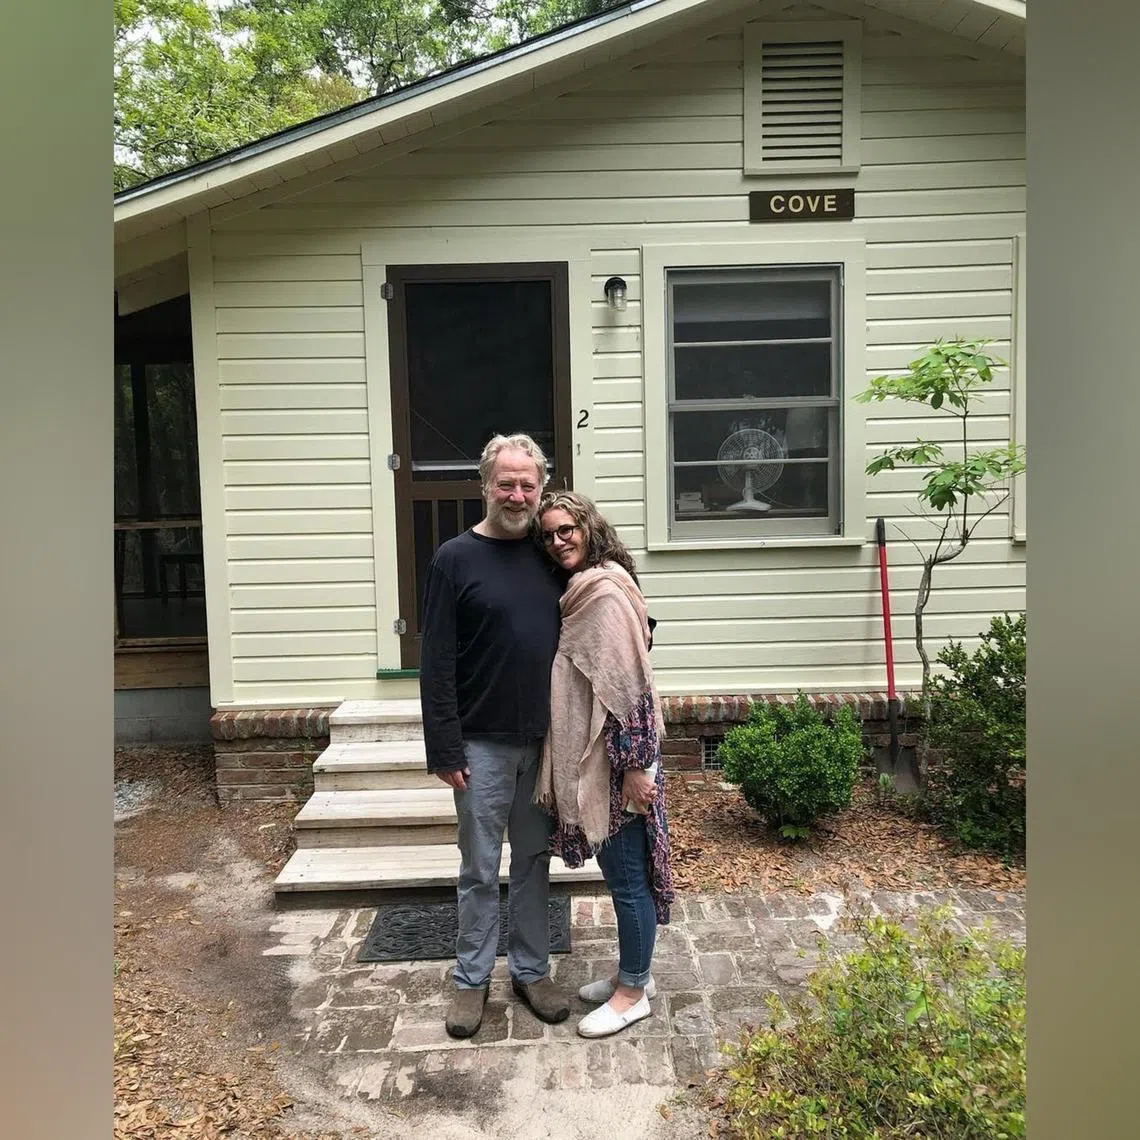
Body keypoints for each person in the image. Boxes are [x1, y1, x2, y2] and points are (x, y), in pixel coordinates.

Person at [419, 433, 572, 1038]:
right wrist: (444, 746)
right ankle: (471, 979)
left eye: (528, 484)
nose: (517, 495)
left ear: (541, 488)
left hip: (544, 742)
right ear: (485, 486)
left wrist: (637, 622)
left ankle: (532, 971)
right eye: (506, 483)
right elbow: (436, 662)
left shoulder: (551, 553)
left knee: (533, 862)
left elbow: (599, 596)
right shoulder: (454, 559)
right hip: (479, 743)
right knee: (480, 868)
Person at [533, 490, 674, 1039]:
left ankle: (632, 993)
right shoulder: (586, 588)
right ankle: (634, 973)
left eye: (566, 529)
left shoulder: (603, 595)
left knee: (629, 881)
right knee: (623, 877)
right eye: (548, 534)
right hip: (606, 758)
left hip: (618, 763)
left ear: (589, 527)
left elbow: (627, 686)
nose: (557, 540)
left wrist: (637, 767)